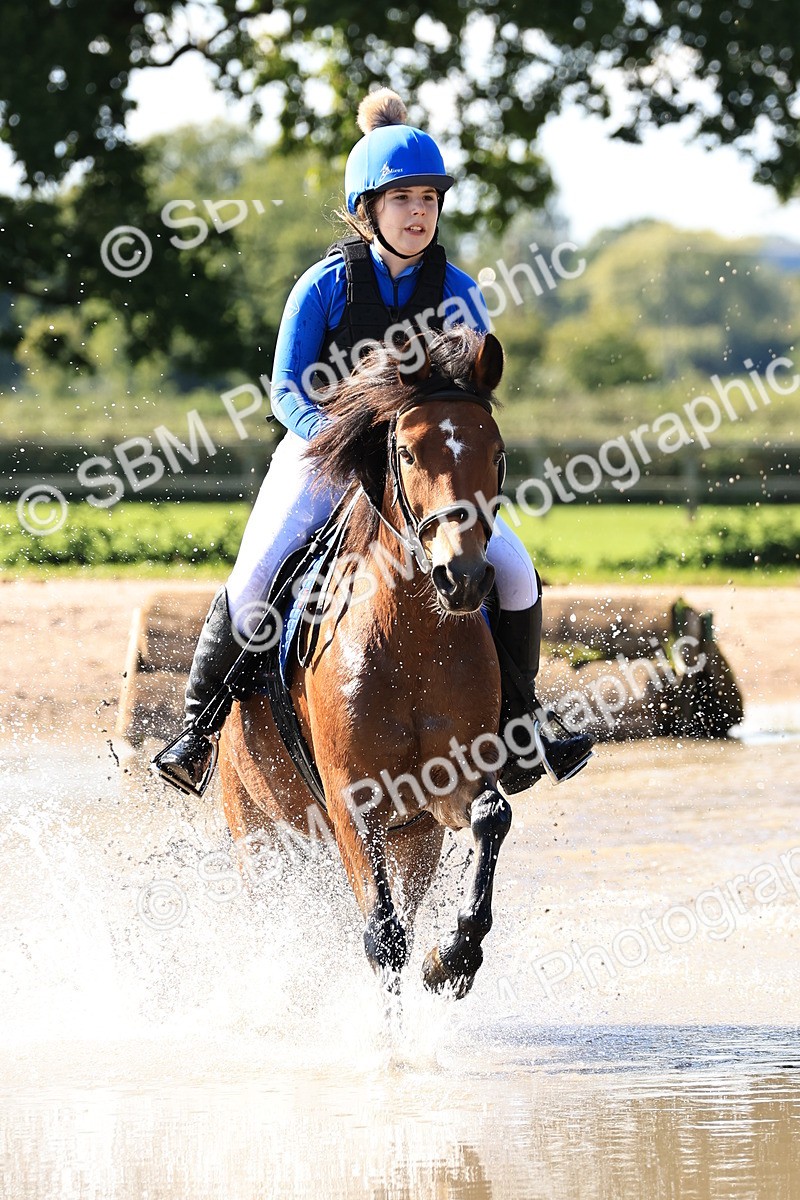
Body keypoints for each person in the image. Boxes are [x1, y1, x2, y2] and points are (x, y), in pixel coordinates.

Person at [152, 89, 593, 798]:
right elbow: (286, 389)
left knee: (513, 572)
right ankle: (197, 731)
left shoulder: (456, 290)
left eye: (428, 199)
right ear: (368, 210)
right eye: (402, 199)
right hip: (323, 453)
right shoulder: (323, 285)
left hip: (422, 476)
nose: (419, 212)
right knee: (256, 574)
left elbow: (472, 391)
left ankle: (524, 721)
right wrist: (337, 438)